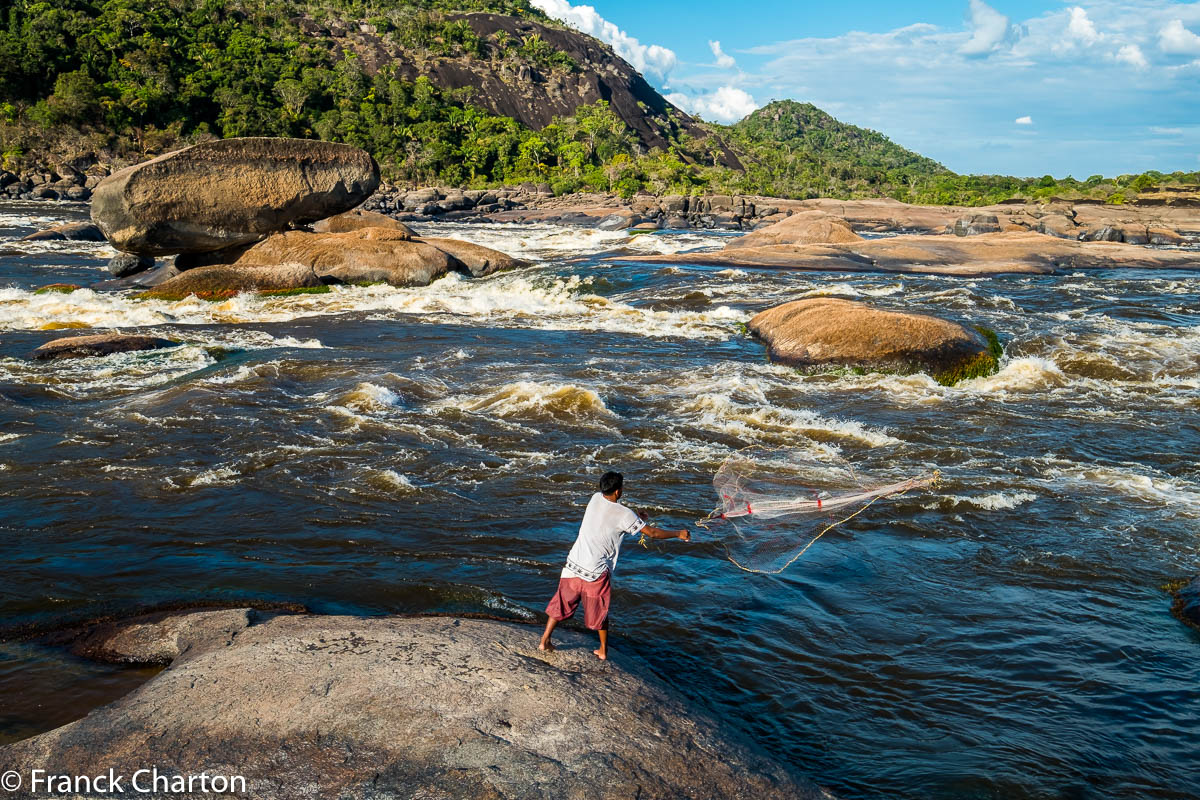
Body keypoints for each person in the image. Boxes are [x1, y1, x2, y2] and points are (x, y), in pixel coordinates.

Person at [539, 470, 689, 660]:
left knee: (560, 604)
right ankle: (602, 650)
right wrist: (679, 533)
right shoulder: (625, 514)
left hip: (573, 565)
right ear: (618, 491)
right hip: (595, 572)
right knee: (600, 612)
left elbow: (610, 521)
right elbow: (652, 533)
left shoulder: (595, 498)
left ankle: (544, 641)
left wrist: (637, 518)